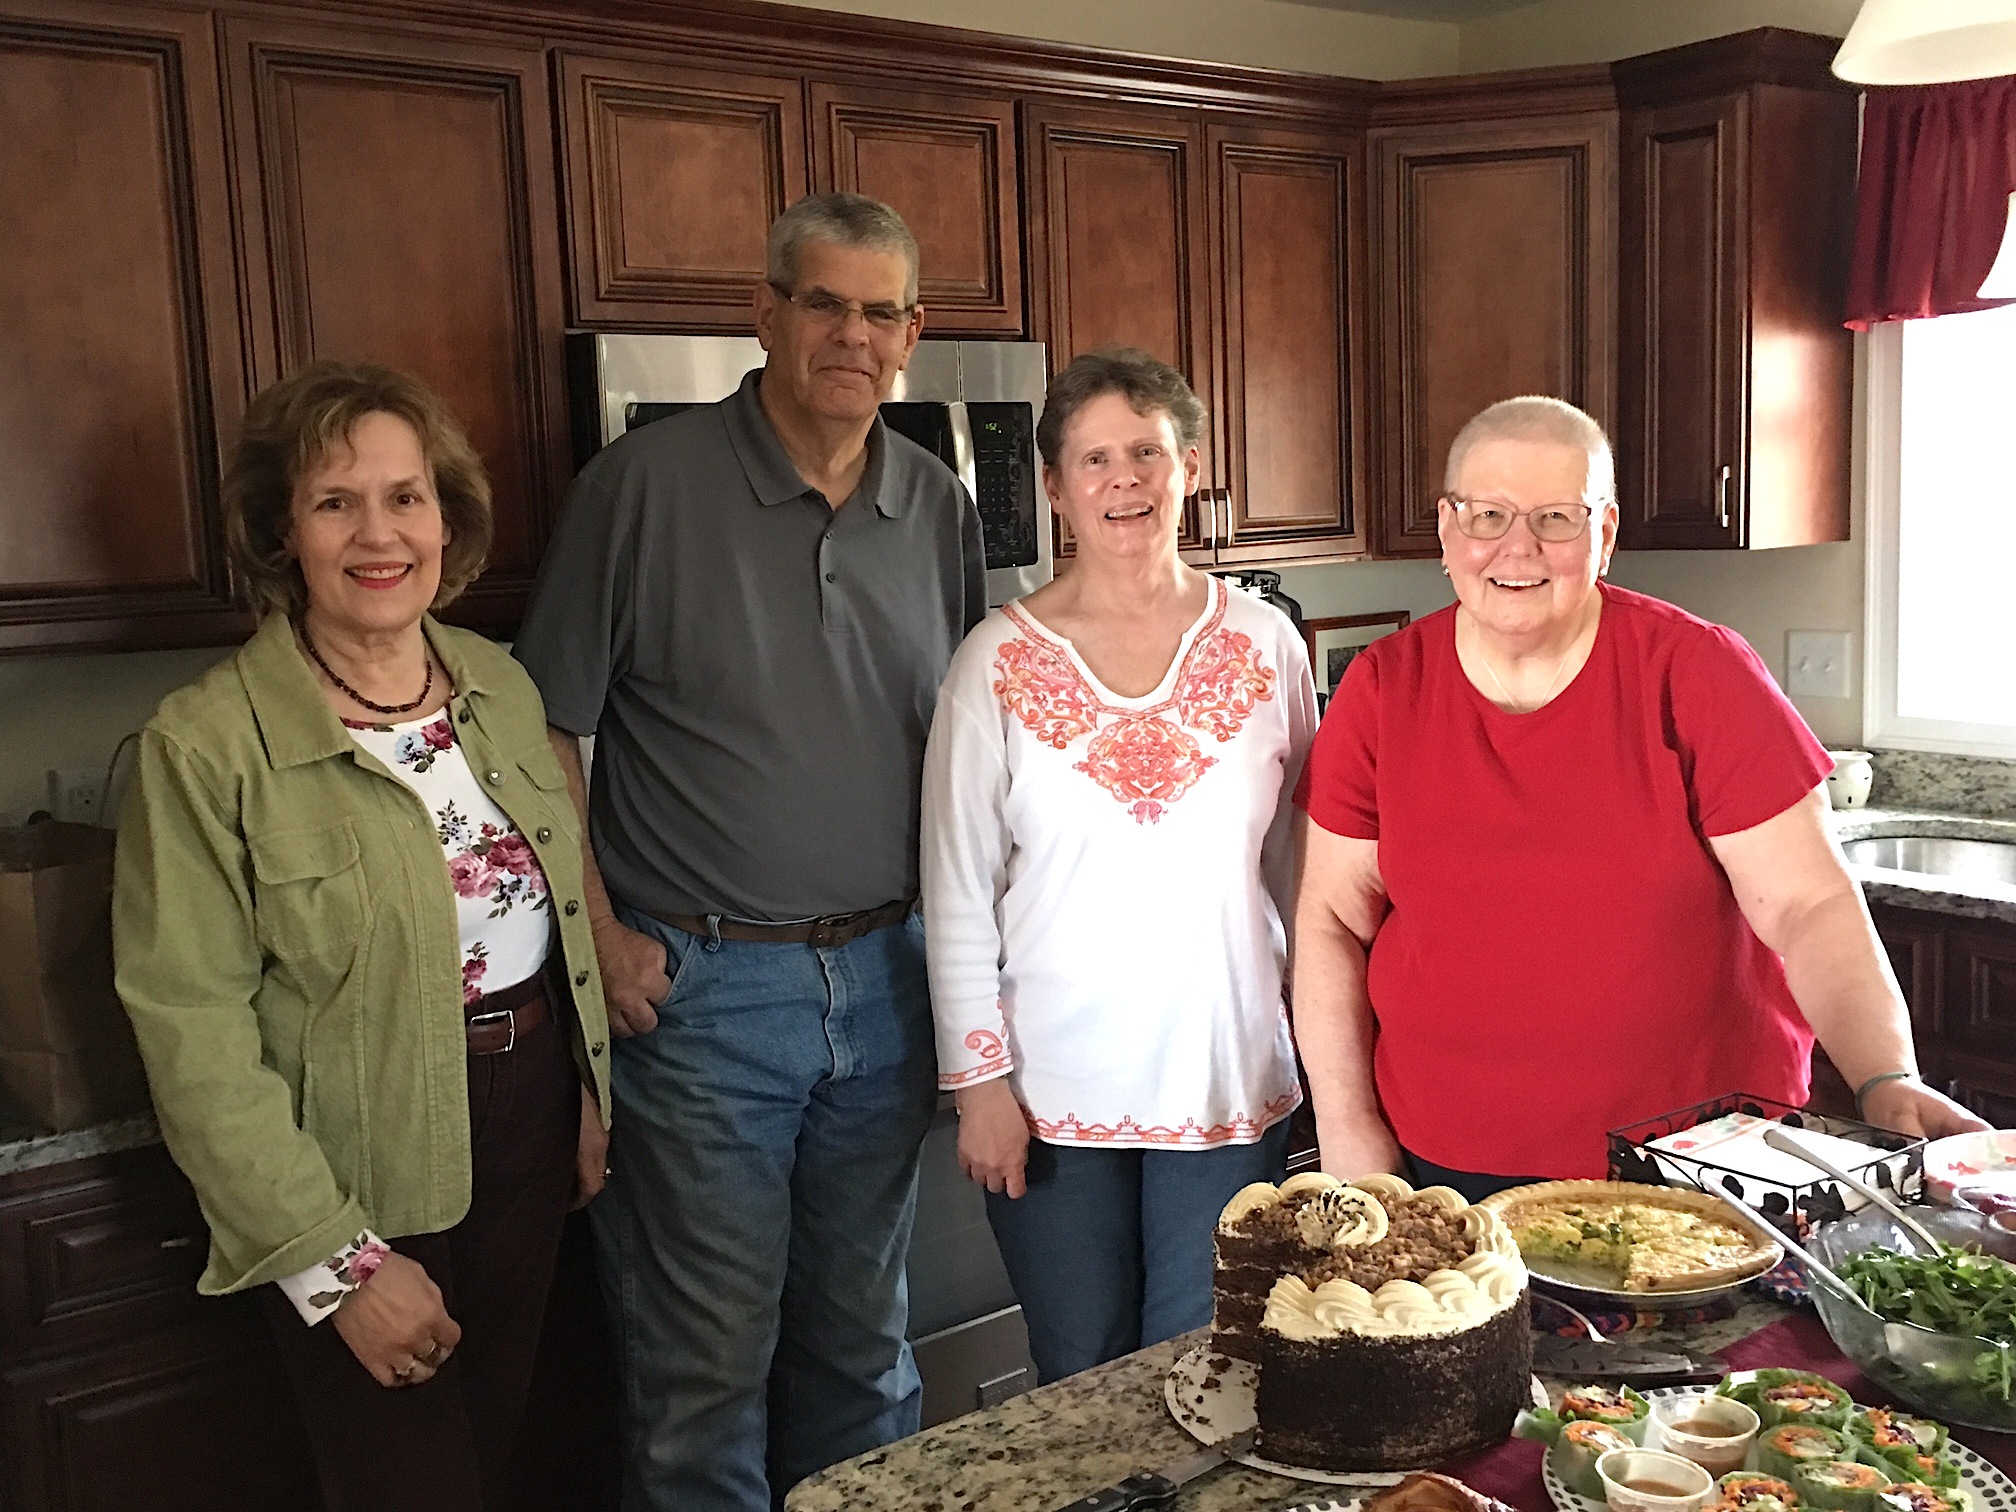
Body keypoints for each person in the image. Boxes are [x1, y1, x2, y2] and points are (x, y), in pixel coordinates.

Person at [513, 192, 984, 1512]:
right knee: (701, 1378)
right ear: (762, 311)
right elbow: (545, 731)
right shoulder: (641, 492)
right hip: (709, 998)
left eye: (878, 311)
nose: (851, 333)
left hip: (889, 987)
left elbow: (969, 754)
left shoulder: (938, 509)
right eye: (821, 302)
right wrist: (596, 937)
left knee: (864, 1357)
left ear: (912, 333)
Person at [112, 359, 613, 1512]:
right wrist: (337, 1267)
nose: (378, 533)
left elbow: (554, 913)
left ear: (446, 517)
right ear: (280, 530)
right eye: (336, 502)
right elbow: (190, 1031)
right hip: (352, 1159)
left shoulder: (493, 680)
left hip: (529, 1121)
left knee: (500, 1457)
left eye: (405, 496)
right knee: (408, 1485)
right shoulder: (206, 746)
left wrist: (589, 1094)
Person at [1291, 395, 1987, 1202]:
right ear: (1449, 529)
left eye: (1557, 517)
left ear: (1606, 535)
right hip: (1445, 1162)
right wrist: (1347, 1130)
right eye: (1488, 515)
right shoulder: (1382, 691)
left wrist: (1882, 1077)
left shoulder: (1697, 673)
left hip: (1701, 1160)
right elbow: (1332, 921)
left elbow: (1810, 905)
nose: (1518, 547)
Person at [922, 348, 1316, 1383]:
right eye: (1095, 458)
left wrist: (1316, 1034)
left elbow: (1300, 862)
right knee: (1082, 1376)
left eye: (1147, 451)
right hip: (1051, 1096)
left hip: (1228, 1076)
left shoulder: (1268, 645)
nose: (1125, 479)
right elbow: (956, 887)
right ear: (1055, 487)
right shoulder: (995, 663)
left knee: (1207, 1367)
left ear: (1189, 465)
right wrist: (978, 1089)